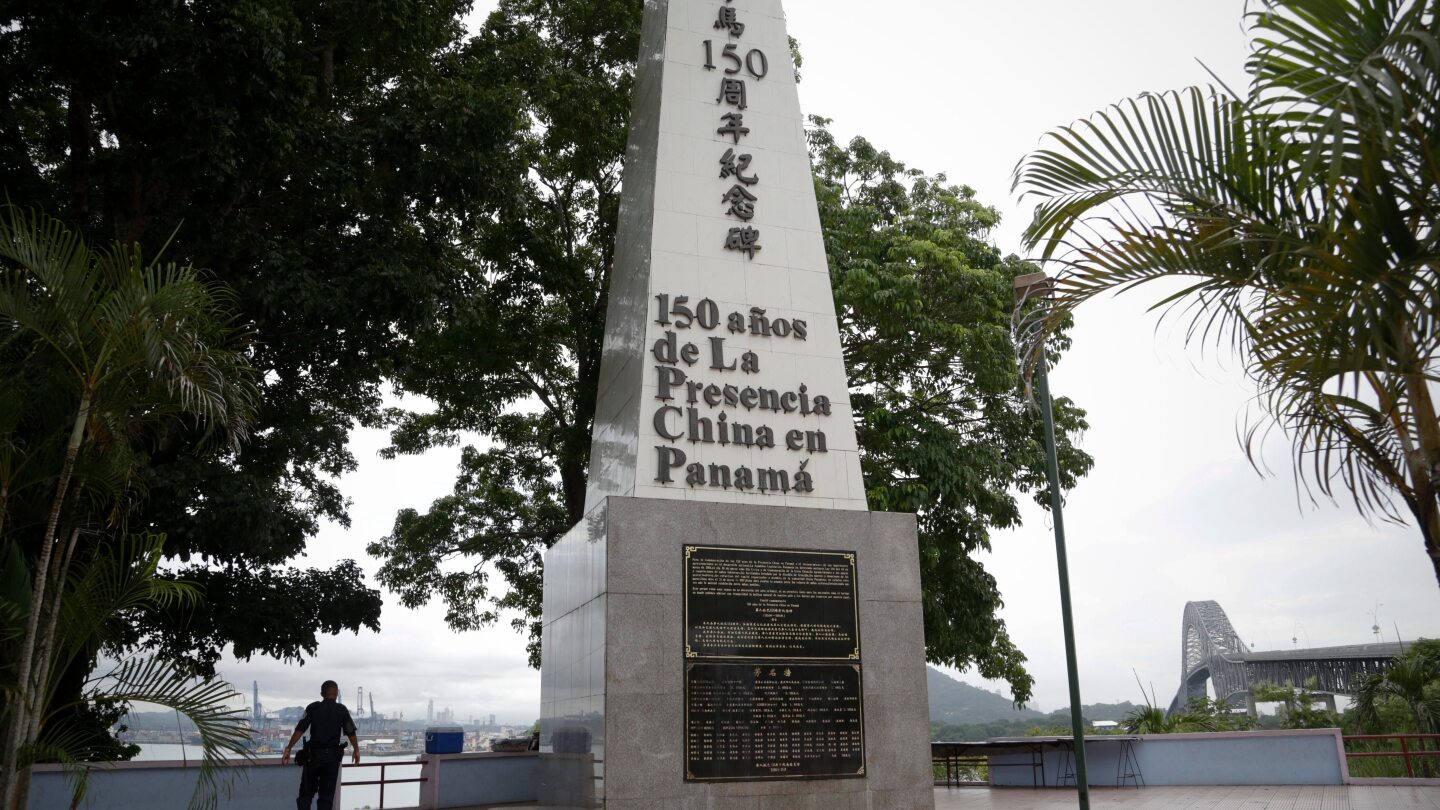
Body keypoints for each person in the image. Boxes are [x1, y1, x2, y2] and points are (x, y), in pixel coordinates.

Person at [281, 680, 360, 810]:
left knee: (306, 795)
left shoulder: (313, 708)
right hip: (332, 759)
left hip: (313, 757)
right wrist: (356, 750)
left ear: (321, 693)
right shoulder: (341, 710)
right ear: (336, 693)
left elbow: (300, 729)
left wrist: (288, 748)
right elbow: (351, 732)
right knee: (326, 798)